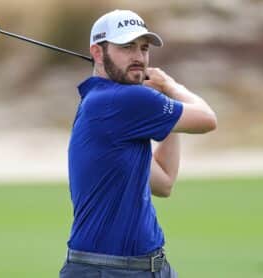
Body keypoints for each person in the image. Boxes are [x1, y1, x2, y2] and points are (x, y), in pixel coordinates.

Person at [60, 9, 217, 278]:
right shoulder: (119, 101)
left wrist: (165, 117)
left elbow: (164, 181)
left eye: (143, 48)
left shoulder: (105, 103)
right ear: (97, 53)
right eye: (126, 47)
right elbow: (207, 119)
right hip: (108, 270)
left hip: (147, 267)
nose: (138, 57)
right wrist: (170, 86)